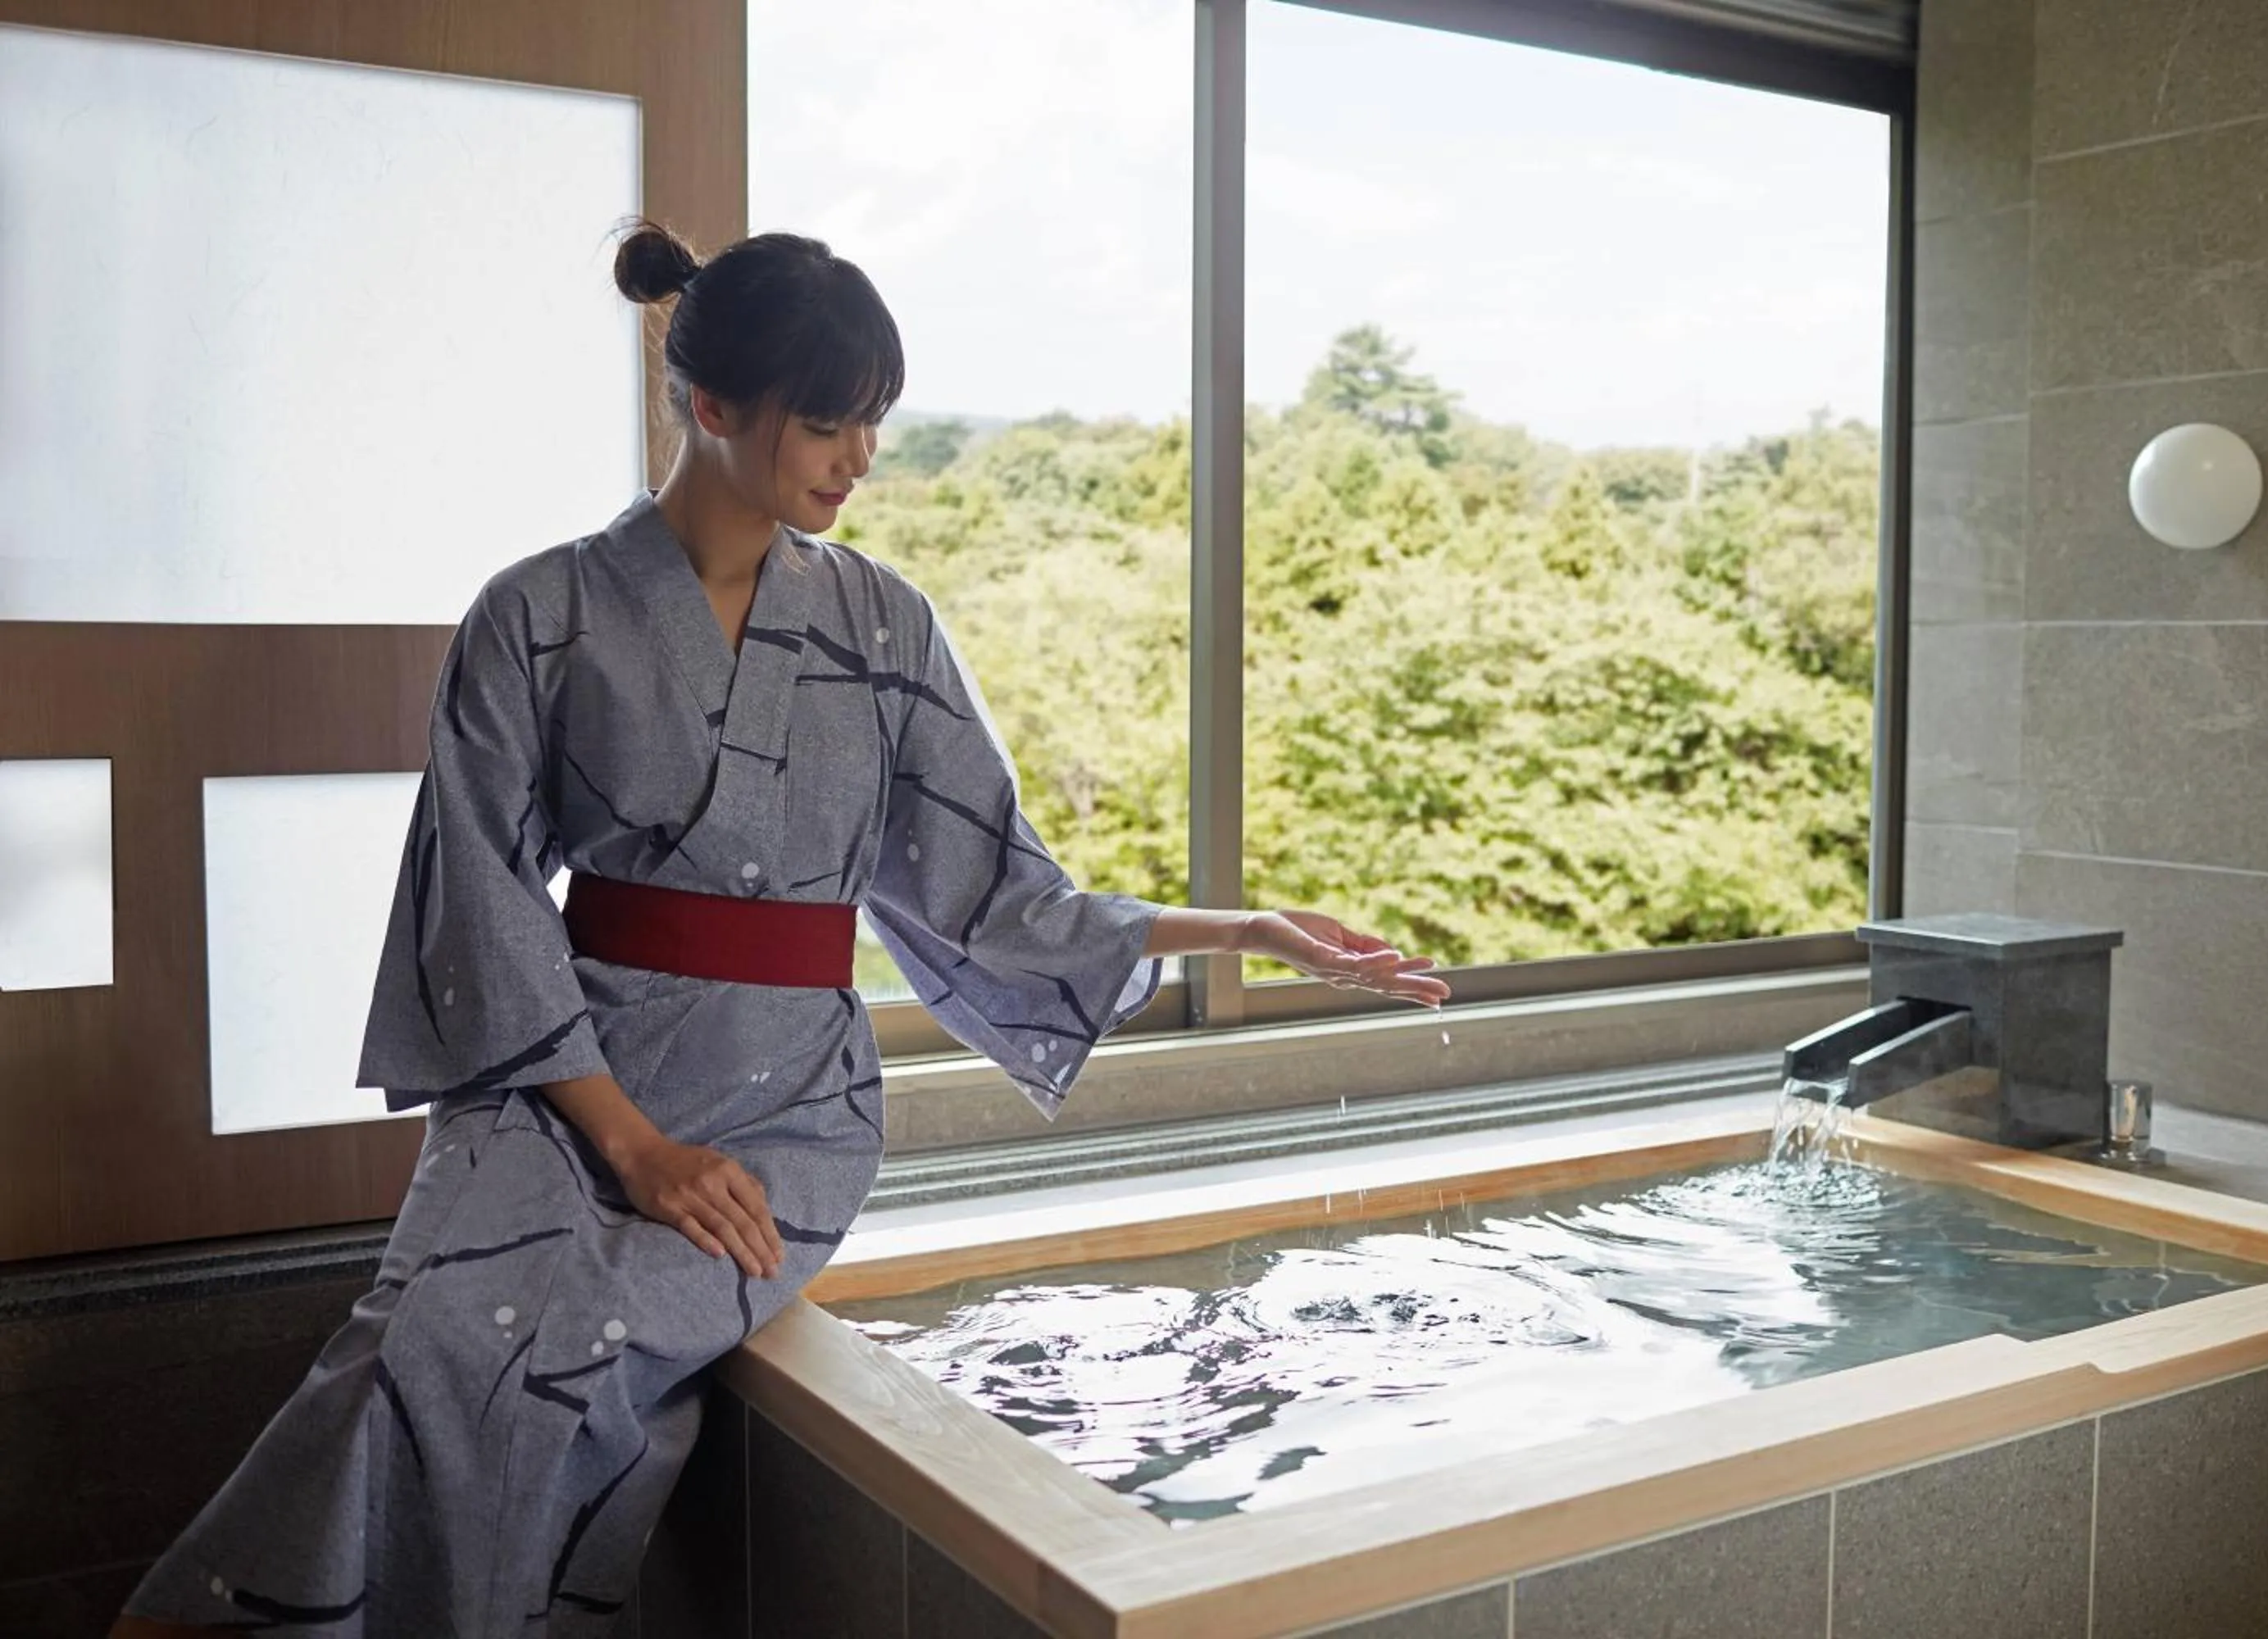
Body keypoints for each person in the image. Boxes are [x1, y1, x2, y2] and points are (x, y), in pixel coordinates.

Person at [109, 221, 1447, 1637]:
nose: (858, 457)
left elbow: (996, 887)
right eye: (827, 421)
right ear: (710, 406)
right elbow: (482, 903)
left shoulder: (887, 626)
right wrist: (630, 1142)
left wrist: (1244, 928)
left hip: (790, 1108)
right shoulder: (534, 615)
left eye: (872, 422)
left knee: (581, 1353)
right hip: (569, 1082)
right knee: (420, 1346)